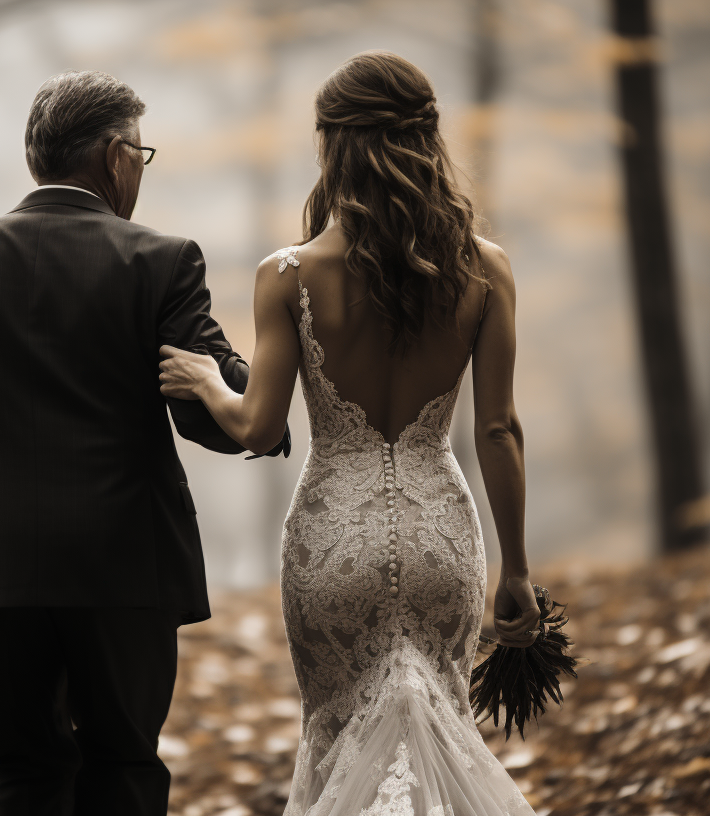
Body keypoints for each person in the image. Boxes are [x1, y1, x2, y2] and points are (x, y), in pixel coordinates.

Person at [0, 70, 289, 816]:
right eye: (141, 151)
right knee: (122, 764)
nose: (140, 166)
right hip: (122, 570)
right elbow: (206, 418)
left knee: (18, 769)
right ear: (112, 156)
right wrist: (240, 382)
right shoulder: (160, 261)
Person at [158, 51, 542, 815]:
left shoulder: (289, 275)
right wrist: (517, 570)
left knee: (340, 741)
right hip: (442, 536)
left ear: (330, 145)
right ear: (427, 142)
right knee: (439, 726)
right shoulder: (485, 270)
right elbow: (498, 431)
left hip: (333, 543)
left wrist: (207, 381)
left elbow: (255, 425)